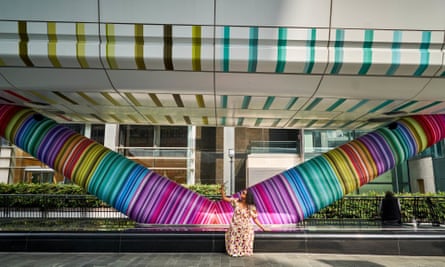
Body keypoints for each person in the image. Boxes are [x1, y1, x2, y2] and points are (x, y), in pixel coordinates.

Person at [220, 185, 267, 257]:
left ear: (247, 196)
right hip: (235, 227)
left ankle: (243, 251)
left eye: (244, 193)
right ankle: (235, 252)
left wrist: (263, 228)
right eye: (242, 193)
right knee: (234, 238)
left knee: (245, 237)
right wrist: (222, 190)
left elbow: (255, 219)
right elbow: (224, 198)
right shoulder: (235, 201)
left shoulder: (251, 206)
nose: (241, 194)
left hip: (246, 228)